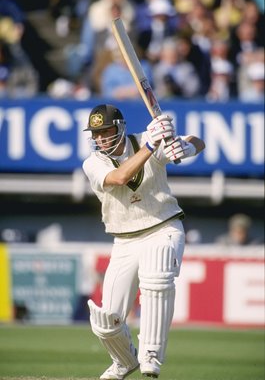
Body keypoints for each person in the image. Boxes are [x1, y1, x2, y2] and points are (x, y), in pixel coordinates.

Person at [82, 103, 205, 379]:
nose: (101, 138)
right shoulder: (93, 162)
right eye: (96, 133)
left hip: (163, 226)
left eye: (106, 130)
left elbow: (198, 140)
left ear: (120, 128)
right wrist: (151, 146)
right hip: (124, 241)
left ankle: (151, 355)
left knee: (157, 281)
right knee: (106, 321)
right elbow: (121, 177)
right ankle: (125, 361)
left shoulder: (145, 140)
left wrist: (184, 148)